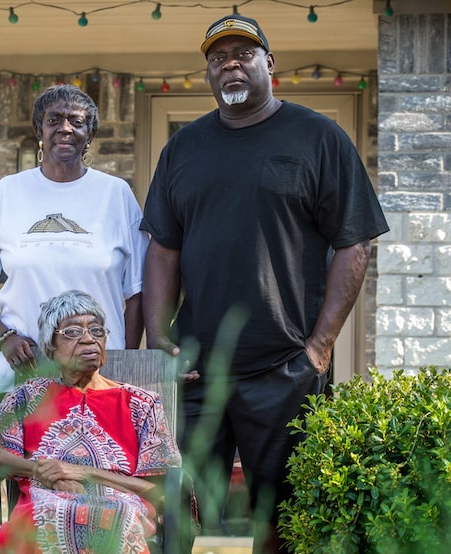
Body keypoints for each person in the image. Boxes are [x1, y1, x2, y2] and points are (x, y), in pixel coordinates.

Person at [140, 14, 389, 554]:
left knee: (280, 521)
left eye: (243, 53)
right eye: (217, 57)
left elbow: (355, 244)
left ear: (269, 64)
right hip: (196, 369)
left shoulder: (317, 137)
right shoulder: (183, 150)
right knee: (174, 510)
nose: (229, 63)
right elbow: (163, 245)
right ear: (207, 74)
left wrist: (319, 348)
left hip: (284, 367)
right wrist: (159, 338)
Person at [0, 84, 148, 396]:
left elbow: (137, 291)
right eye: (54, 120)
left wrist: (121, 359)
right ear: (39, 130)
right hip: (28, 371)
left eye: (77, 121)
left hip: (99, 376)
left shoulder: (116, 194)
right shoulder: (9, 191)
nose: (66, 129)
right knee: (28, 447)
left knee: (103, 448)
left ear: (91, 134)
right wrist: (5, 338)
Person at [0, 290, 182, 553]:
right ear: (51, 347)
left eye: (97, 331)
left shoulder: (141, 403)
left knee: (117, 517)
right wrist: (40, 470)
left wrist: (80, 472)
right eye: (73, 332)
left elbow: (161, 492)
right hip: (45, 504)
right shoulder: (30, 396)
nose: (89, 339)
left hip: (121, 508)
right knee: (43, 517)